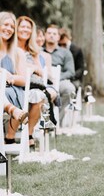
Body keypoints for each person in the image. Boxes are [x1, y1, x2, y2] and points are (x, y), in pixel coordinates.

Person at [17, 16, 58, 150]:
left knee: (38, 95)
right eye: (22, 26)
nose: (25, 30)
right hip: (16, 84)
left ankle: (29, 134)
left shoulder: (33, 50)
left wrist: (33, 68)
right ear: (17, 28)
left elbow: (40, 71)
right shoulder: (10, 47)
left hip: (32, 85)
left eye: (28, 28)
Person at [0, 11, 28, 144]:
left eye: (12, 27)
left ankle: (12, 108)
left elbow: (23, 80)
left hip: (11, 90)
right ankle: (13, 110)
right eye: (5, 25)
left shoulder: (17, 52)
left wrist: (10, 76)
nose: (9, 29)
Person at [44, 24, 75, 126]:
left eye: (54, 34)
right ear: (45, 35)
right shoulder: (38, 51)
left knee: (69, 89)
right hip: (42, 82)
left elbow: (70, 71)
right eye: (49, 33)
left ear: (58, 37)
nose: (51, 35)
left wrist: (56, 79)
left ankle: (57, 120)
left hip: (60, 82)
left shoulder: (66, 53)